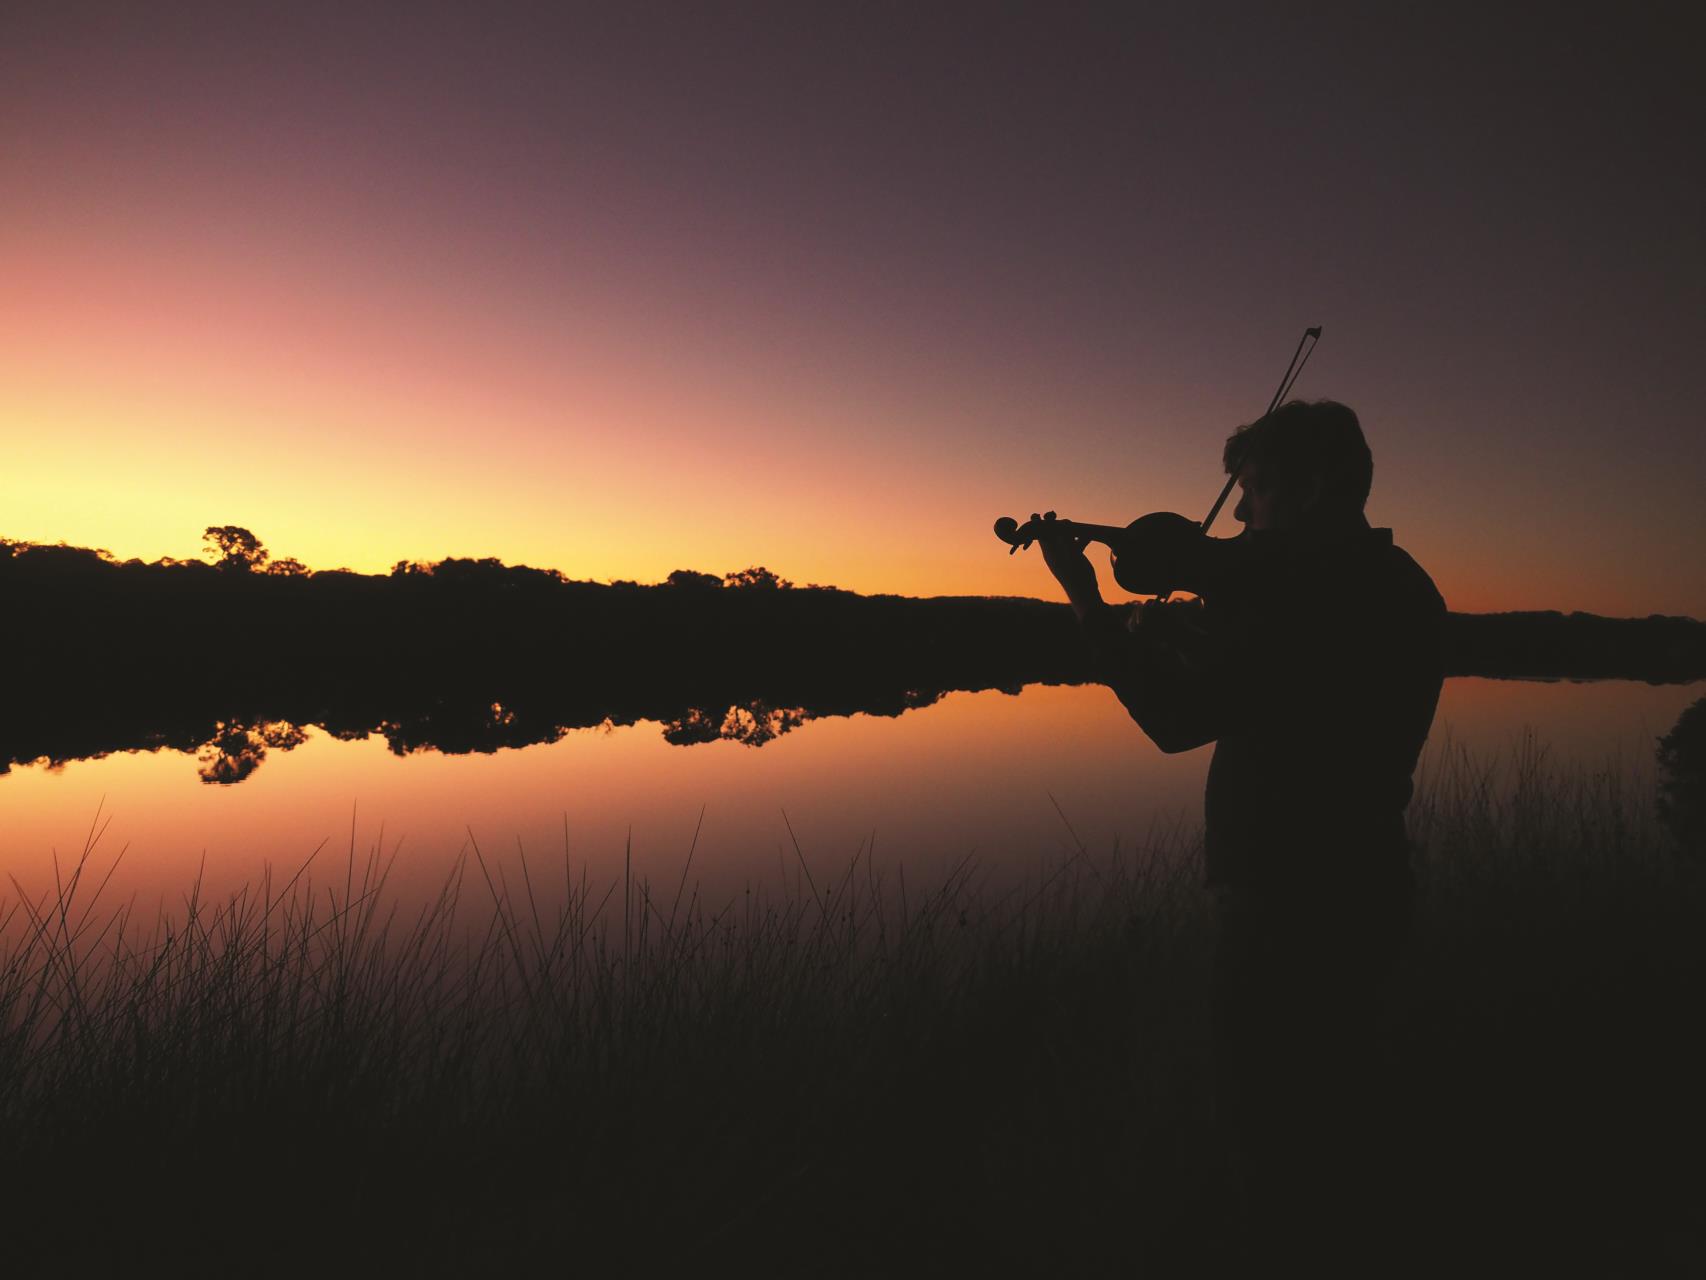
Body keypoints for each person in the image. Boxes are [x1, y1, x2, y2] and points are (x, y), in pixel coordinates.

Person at [1034, 399, 1445, 1265]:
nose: (1243, 516)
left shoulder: (1305, 596)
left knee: (1264, 1130)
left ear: (1315, 486)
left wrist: (1090, 606)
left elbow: (1178, 719)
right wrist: (1198, 623)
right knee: (1339, 1110)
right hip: (1371, 880)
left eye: (1254, 491)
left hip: (1282, 900)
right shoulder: (1402, 586)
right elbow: (1282, 686)